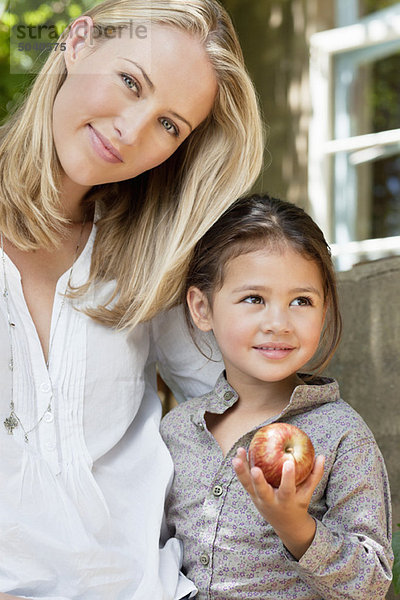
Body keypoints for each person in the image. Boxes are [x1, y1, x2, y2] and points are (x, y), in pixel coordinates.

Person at [0, 0, 264, 598]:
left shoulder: (155, 259)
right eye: (129, 82)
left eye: (170, 125)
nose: (132, 130)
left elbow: (230, 403)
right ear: (79, 41)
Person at [160, 194, 394, 599]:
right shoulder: (179, 429)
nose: (279, 323)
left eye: (301, 301)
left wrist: (296, 527)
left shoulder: (341, 435)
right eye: (254, 299)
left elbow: (371, 583)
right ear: (202, 308)